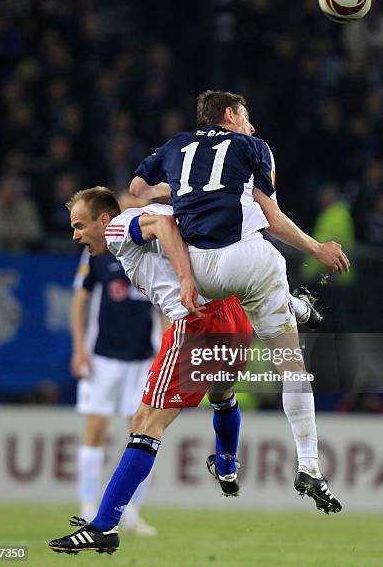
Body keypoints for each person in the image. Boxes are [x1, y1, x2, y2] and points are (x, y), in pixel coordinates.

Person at [48, 187, 322, 555]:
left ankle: (104, 525)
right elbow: (177, 226)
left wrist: (185, 280)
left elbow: (161, 223)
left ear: (102, 220)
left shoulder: (117, 228)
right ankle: (225, 467)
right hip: (232, 317)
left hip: (198, 324)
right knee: (221, 393)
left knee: (145, 423)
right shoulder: (154, 222)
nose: (76, 235)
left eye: (80, 226)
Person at [131, 90, 349, 514]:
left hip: (195, 271)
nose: (251, 124)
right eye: (246, 116)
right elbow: (272, 215)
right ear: (229, 115)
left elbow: (138, 191)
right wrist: (316, 247)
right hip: (245, 262)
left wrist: (178, 189)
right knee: (292, 367)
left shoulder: (176, 145)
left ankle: (291, 305)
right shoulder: (253, 147)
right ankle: (309, 465)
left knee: (239, 210)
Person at [71, 244, 159, 535]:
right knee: (96, 429)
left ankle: (131, 514)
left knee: (144, 433)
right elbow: (81, 298)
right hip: (102, 358)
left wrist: (166, 354)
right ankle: (87, 509)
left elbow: (164, 306)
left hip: (143, 359)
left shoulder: (155, 251)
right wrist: (79, 349)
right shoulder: (97, 253)